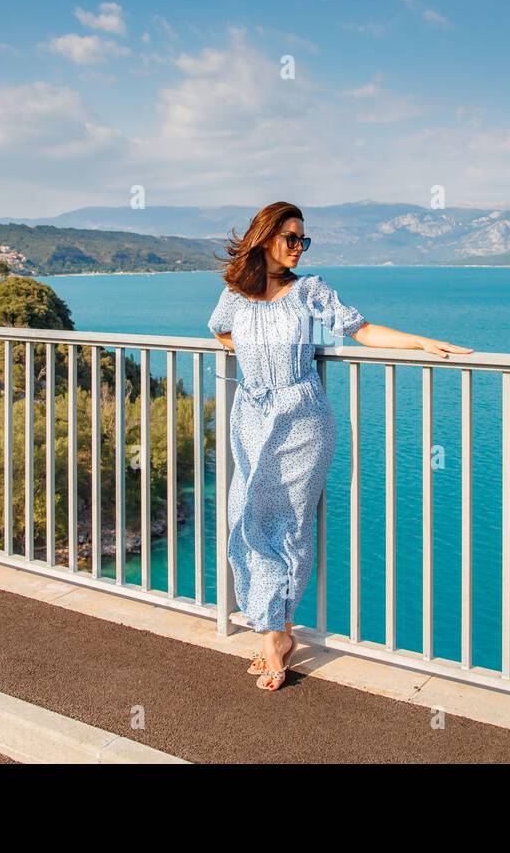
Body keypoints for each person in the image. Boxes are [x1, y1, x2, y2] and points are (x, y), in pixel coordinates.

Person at [206, 201, 472, 690]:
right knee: (243, 512)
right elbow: (220, 331)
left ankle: (273, 637)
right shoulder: (236, 295)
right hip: (250, 413)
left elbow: (361, 330)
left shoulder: (310, 290)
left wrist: (422, 342)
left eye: (304, 240)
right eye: (291, 238)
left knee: (287, 524)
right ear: (265, 238)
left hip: (302, 419)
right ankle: (276, 630)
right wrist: (253, 354)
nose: (299, 248)